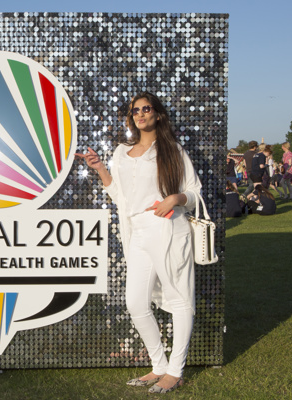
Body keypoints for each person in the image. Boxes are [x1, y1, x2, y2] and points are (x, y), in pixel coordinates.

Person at [76, 92, 200, 394]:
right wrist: (100, 169)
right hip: (137, 232)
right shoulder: (121, 152)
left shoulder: (172, 150)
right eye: (135, 110)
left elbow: (194, 194)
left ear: (157, 114)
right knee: (136, 303)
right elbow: (122, 197)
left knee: (181, 298)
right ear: (131, 117)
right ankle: (158, 366)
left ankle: (175, 370)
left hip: (168, 226)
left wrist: (176, 198)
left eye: (147, 109)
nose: (141, 114)